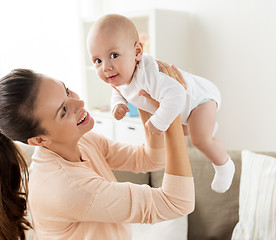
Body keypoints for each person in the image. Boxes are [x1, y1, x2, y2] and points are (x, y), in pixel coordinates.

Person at [0, 63, 194, 240]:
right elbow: (177, 203)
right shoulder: (68, 187)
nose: (79, 102)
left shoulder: (82, 141)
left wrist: (145, 98)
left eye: (66, 90)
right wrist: (171, 112)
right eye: (63, 110)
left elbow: (151, 158)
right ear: (39, 139)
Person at [87, 14, 235, 193]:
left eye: (114, 55)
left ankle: (224, 165)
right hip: (185, 113)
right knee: (184, 130)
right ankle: (205, 126)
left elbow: (177, 94)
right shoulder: (121, 79)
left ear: (137, 52)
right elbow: (117, 92)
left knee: (199, 139)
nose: (106, 67)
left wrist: (158, 122)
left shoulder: (149, 75)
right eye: (97, 60)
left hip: (200, 100)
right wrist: (117, 105)